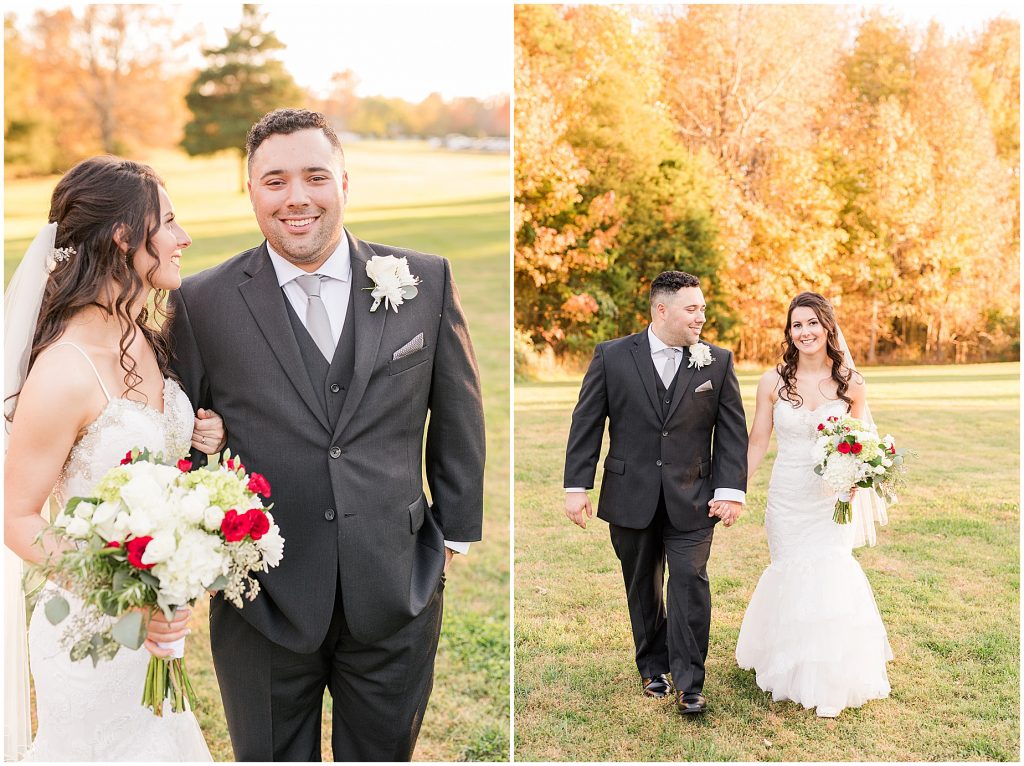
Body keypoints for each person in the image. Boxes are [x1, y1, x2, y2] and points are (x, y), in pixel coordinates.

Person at [167, 108, 485, 761]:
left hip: (396, 586)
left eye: (315, 176)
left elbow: (459, 411)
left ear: (345, 181)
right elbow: (175, 440)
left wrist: (451, 537)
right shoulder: (201, 302)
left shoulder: (423, 280)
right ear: (252, 191)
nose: (297, 198)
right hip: (260, 598)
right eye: (275, 181)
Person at [3, 156, 226, 760]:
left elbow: (146, 461)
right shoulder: (63, 372)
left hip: (155, 632)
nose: (183, 238)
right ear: (125, 237)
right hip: (90, 634)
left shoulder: (141, 333)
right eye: (170, 223)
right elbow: (19, 519)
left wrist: (200, 439)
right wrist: (127, 594)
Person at [563, 270, 748, 715]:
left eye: (702, 307)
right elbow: (587, 422)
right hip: (630, 494)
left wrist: (731, 491)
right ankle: (653, 667)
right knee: (642, 585)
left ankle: (690, 682)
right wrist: (576, 487)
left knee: (689, 581)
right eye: (692, 308)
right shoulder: (611, 356)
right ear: (661, 310)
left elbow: (732, 433)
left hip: (694, 497)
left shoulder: (716, 362)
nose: (701, 316)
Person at [735, 291, 893, 718]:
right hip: (786, 498)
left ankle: (829, 673)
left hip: (830, 499)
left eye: (812, 323)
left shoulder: (852, 384)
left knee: (830, 570)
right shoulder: (773, 381)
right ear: (789, 332)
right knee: (789, 570)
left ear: (828, 327)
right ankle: (789, 662)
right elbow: (758, 441)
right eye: (796, 325)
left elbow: (862, 445)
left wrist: (858, 476)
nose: (804, 332)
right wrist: (736, 488)